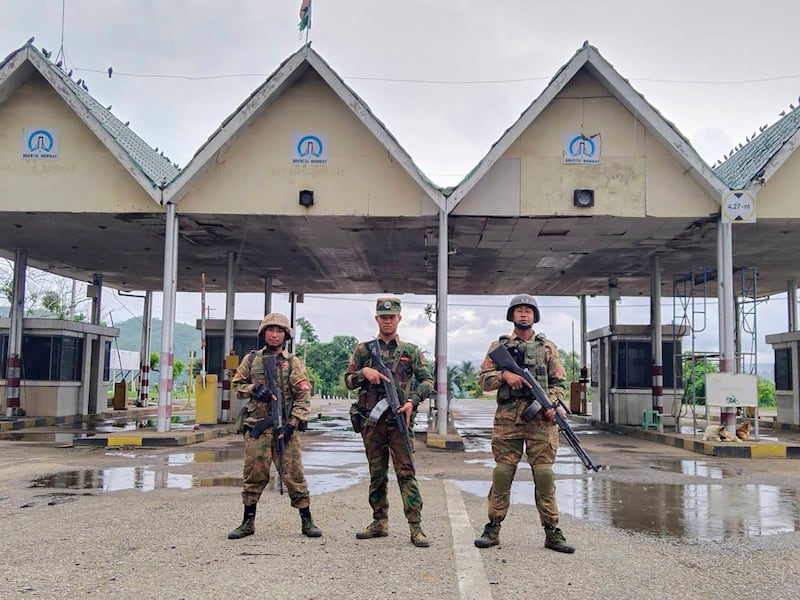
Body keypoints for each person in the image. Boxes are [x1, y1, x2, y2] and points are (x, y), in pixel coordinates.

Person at [473, 294, 574, 553]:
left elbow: (560, 384)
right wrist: (505, 376)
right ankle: (493, 527)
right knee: (503, 473)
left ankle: (552, 531)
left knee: (544, 474)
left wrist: (552, 403)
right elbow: (483, 380)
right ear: (512, 316)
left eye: (528, 310)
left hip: (541, 421)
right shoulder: (499, 346)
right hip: (508, 420)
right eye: (518, 310)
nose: (523, 314)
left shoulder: (548, 347)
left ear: (534, 316)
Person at [345, 297, 434, 548]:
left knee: (406, 473)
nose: (387, 320)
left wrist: (412, 402)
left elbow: (427, 382)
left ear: (399, 319)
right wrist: (364, 373)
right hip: (372, 423)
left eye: (392, 316)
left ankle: (415, 527)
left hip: (399, 421)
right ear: (377, 319)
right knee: (377, 474)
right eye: (383, 317)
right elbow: (348, 380)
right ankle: (379, 522)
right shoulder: (364, 350)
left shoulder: (410, 351)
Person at [227, 312, 322, 540]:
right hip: (257, 428)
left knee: (294, 476)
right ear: (263, 333)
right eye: (270, 330)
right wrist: (253, 389)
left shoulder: (293, 363)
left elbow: (303, 395)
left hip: (285, 430)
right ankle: (247, 522)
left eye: (279, 331)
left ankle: (307, 521)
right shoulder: (251, 360)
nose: (275, 334)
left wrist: (292, 424)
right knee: (254, 475)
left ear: (285, 336)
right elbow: (236, 385)